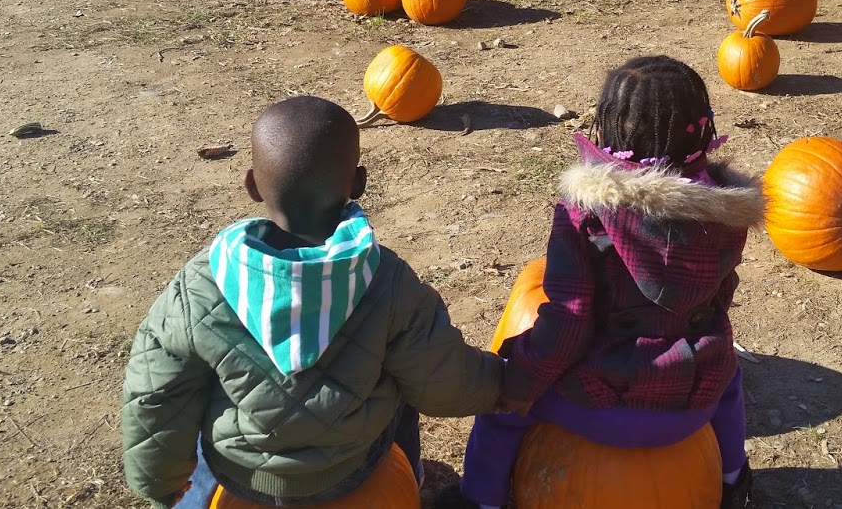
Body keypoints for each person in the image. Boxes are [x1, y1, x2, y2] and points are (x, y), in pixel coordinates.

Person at [121, 96, 503, 508]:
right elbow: (442, 379)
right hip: (349, 471)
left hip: (243, 476)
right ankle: (412, 474)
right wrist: (502, 382)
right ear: (357, 183)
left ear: (251, 185)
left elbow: (156, 393)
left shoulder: (201, 281)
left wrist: (160, 484)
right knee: (405, 384)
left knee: (191, 401)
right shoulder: (386, 278)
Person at [452, 56, 761, 509]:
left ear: (606, 128)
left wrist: (518, 381)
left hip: (600, 403)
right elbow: (721, 297)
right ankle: (734, 478)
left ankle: (479, 501)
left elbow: (569, 321)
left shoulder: (586, 216)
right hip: (694, 405)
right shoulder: (727, 214)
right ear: (704, 128)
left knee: (503, 414)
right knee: (727, 374)